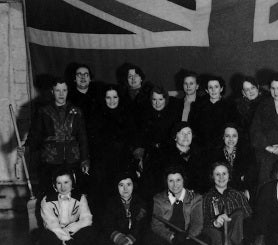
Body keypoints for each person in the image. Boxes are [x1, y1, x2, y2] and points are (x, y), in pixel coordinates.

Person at [27, 78, 90, 196]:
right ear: (52, 92)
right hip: (50, 160)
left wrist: (85, 159)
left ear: (68, 91)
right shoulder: (43, 112)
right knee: (50, 194)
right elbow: (35, 134)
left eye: (64, 90)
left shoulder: (76, 111)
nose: (61, 94)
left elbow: (83, 137)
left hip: (72, 159)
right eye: (58, 90)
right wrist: (26, 146)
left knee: (73, 193)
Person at [143, 166, 210, 245]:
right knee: (149, 238)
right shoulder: (158, 198)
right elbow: (157, 225)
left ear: (184, 180)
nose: (175, 185)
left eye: (178, 180)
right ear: (166, 182)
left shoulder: (196, 198)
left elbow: (197, 224)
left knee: (206, 240)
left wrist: (188, 236)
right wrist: (172, 237)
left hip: (186, 239)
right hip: (167, 239)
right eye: (171, 181)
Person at [88, 84, 135, 216]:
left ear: (120, 98)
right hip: (103, 163)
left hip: (123, 161)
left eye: (115, 97)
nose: (112, 100)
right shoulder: (96, 116)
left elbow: (131, 140)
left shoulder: (127, 116)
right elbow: (94, 143)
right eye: (108, 97)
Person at [38, 167, 97, 245]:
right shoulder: (47, 200)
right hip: (55, 233)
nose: (63, 187)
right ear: (54, 185)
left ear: (72, 183)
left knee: (90, 231)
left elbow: (87, 219)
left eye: (66, 182)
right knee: (45, 237)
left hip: (73, 232)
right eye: (59, 183)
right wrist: (67, 239)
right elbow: (51, 224)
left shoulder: (80, 198)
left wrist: (69, 231)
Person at [133, 85, 180, 199]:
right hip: (150, 155)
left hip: (167, 154)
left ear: (166, 100)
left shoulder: (172, 115)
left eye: (160, 99)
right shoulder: (144, 115)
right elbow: (140, 138)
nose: (157, 103)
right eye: (154, 99)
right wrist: (140, 157)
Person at [98, 171, 149, 245]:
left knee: (144, 242)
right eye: (121, 185)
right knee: (102, 240)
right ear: (116, 187)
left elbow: (141, 224)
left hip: (134, 237)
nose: (125, 188)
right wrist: (120, 239)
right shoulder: (111, 202)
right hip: (117, 237)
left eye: (129, 184)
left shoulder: (141, 202)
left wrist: (130, 239)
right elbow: (107, 223)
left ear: (134, 185)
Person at [202, 162, 252, 245]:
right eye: (217, 174)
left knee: (239, 213)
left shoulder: (238, 195)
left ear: (229, 176)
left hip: (237, 235)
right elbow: (203, 222)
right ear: (212, 177)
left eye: (224, 174)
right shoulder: (206, 198)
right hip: (217, 234)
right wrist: (215, 222)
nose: (221, 177)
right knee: (214, 234)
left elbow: (248, 218)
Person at [188, 75, 236, 153]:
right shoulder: (197, 106)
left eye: (216, 87)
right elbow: (192, 127)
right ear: (207, 90)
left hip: (222, 148)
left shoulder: (230, 106)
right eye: (210, 87)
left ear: (221, 89)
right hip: (201, 148)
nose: (213, 90)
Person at [159, 122, 208, 194]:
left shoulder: (200, 154)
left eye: (189, 133)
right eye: (182, 133)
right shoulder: (165, 156)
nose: (186, 136)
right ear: (175, 137)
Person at [210, 123, 256, 199]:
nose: (231, 139)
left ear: (238, 137)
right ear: (223, 137)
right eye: (227, 136)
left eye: (234, 136)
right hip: (220, 191)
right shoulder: (215, 154)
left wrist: (246, 189)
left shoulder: (247, 153)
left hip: (241, 191)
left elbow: (251, 177)